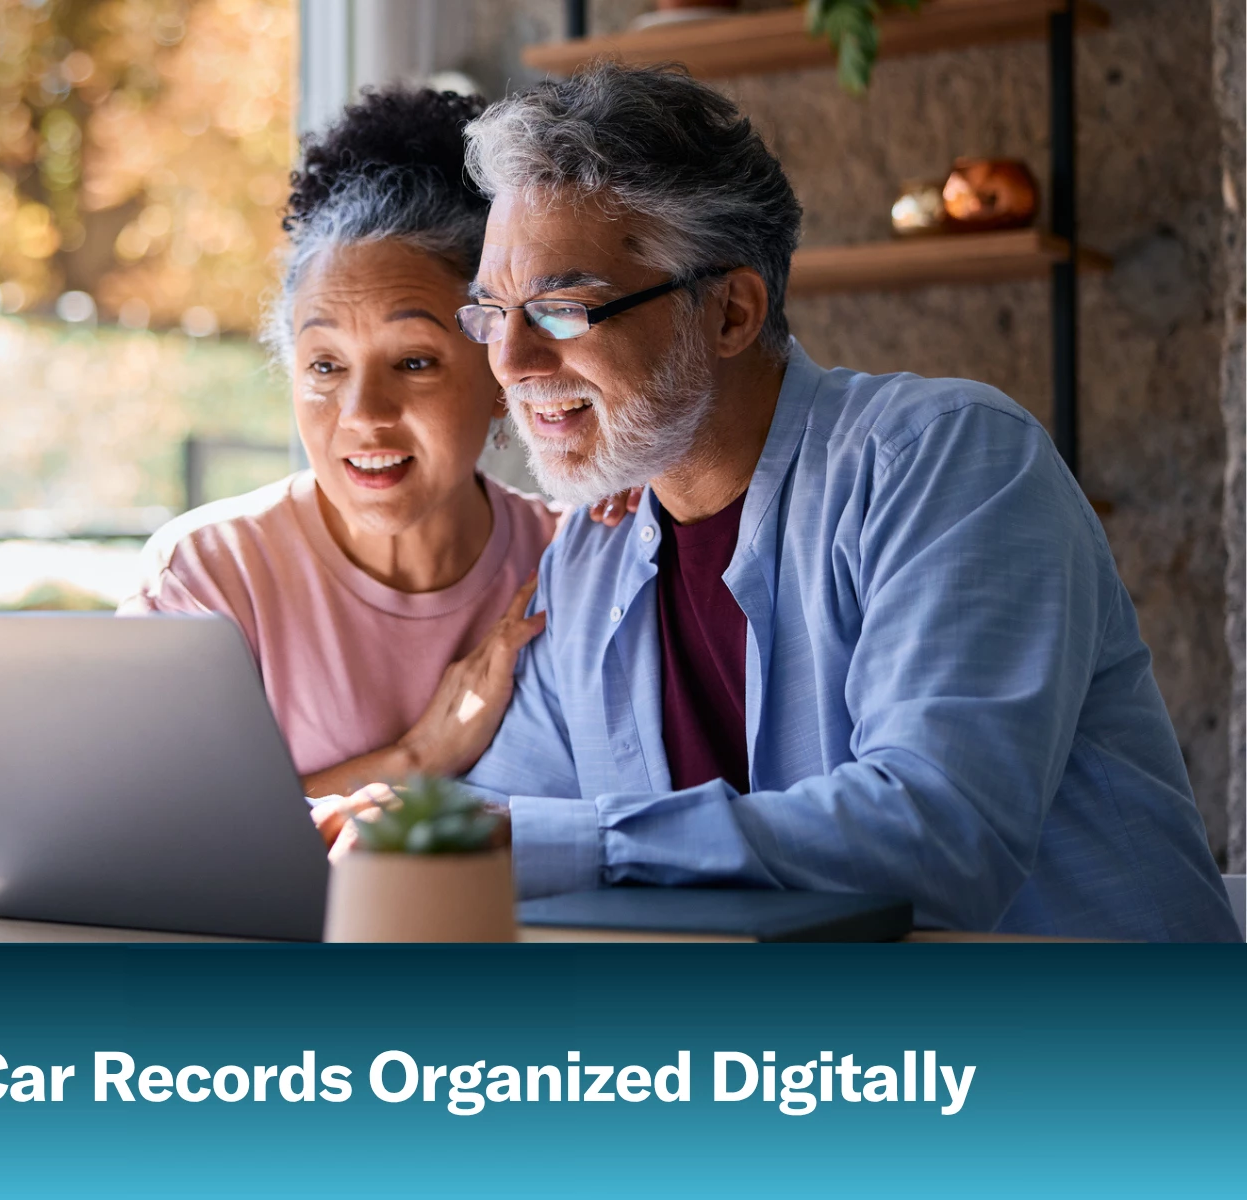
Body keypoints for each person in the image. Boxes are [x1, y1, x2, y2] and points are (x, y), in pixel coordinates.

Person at [321, 64, 1237, 941]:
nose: (513, 364)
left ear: (731, 313)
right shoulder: (592, 558)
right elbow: (514, 811)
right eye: (492, 315)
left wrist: (542, 843)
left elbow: (938, 838)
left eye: (563, 310)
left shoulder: (948, 459)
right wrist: (379, 832)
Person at [121, 87, 562, 799]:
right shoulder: (208, 577)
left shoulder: (573, 563)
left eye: (413, 361)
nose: (363, 415)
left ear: (500, 369)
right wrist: (415, 760)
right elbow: (156, 834)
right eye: (325, 366)